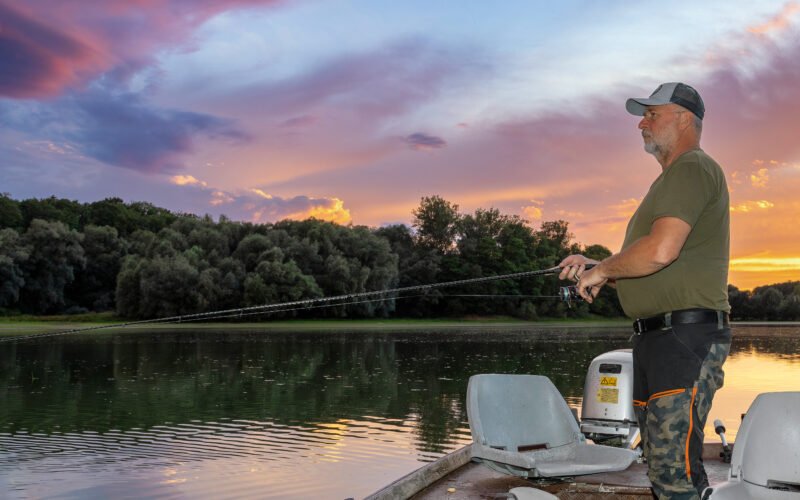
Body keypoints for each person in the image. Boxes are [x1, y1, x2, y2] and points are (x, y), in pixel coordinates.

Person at [559, 82, 731, 500]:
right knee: (664, 466)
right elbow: (653, 264)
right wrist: (597, 269)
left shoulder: (692, 167)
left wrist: (600, 271)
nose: (642, 123)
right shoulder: (672, 179)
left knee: (674, 473)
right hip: (658, 340)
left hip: (684, 339)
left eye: (653, 114)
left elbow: (660, 251)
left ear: (685, 119)